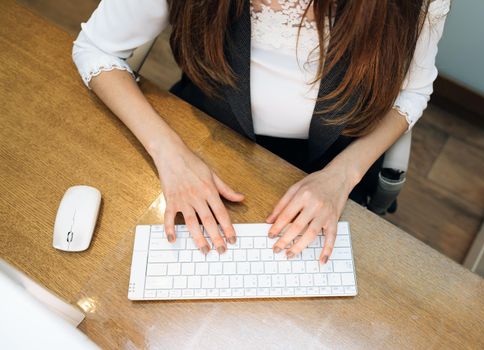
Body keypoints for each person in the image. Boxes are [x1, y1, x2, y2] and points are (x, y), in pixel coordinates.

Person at [72, 0, 450, 263]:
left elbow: (412, 91)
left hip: (339, 154)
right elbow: (96, 50)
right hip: (207, 134)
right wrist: (170, 153)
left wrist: (343, 175)